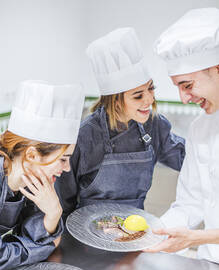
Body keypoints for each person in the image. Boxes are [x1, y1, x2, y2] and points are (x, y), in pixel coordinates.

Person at [56, 28, 185, 218]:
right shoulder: (84, 136)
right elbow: (63, 200)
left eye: (151, 89)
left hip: (135, 229)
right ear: (115, 100)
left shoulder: (154, 125)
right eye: (138, 95)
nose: (149, 100)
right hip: (87, 232)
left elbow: (187, 159)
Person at [144, 7, 219, 263]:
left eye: (188, 85)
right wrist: (152, 235)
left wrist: (196, 239)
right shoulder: (201, 129)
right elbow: (190, 203)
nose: (184, 99)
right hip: (212, 265)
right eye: (179, 88)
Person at [0, 80, 84, 270]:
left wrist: (54, 213)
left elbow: (34, 238)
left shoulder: (33, 181)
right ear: (31, 155)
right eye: (63, 159)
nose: (68, 168)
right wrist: (41, 245)